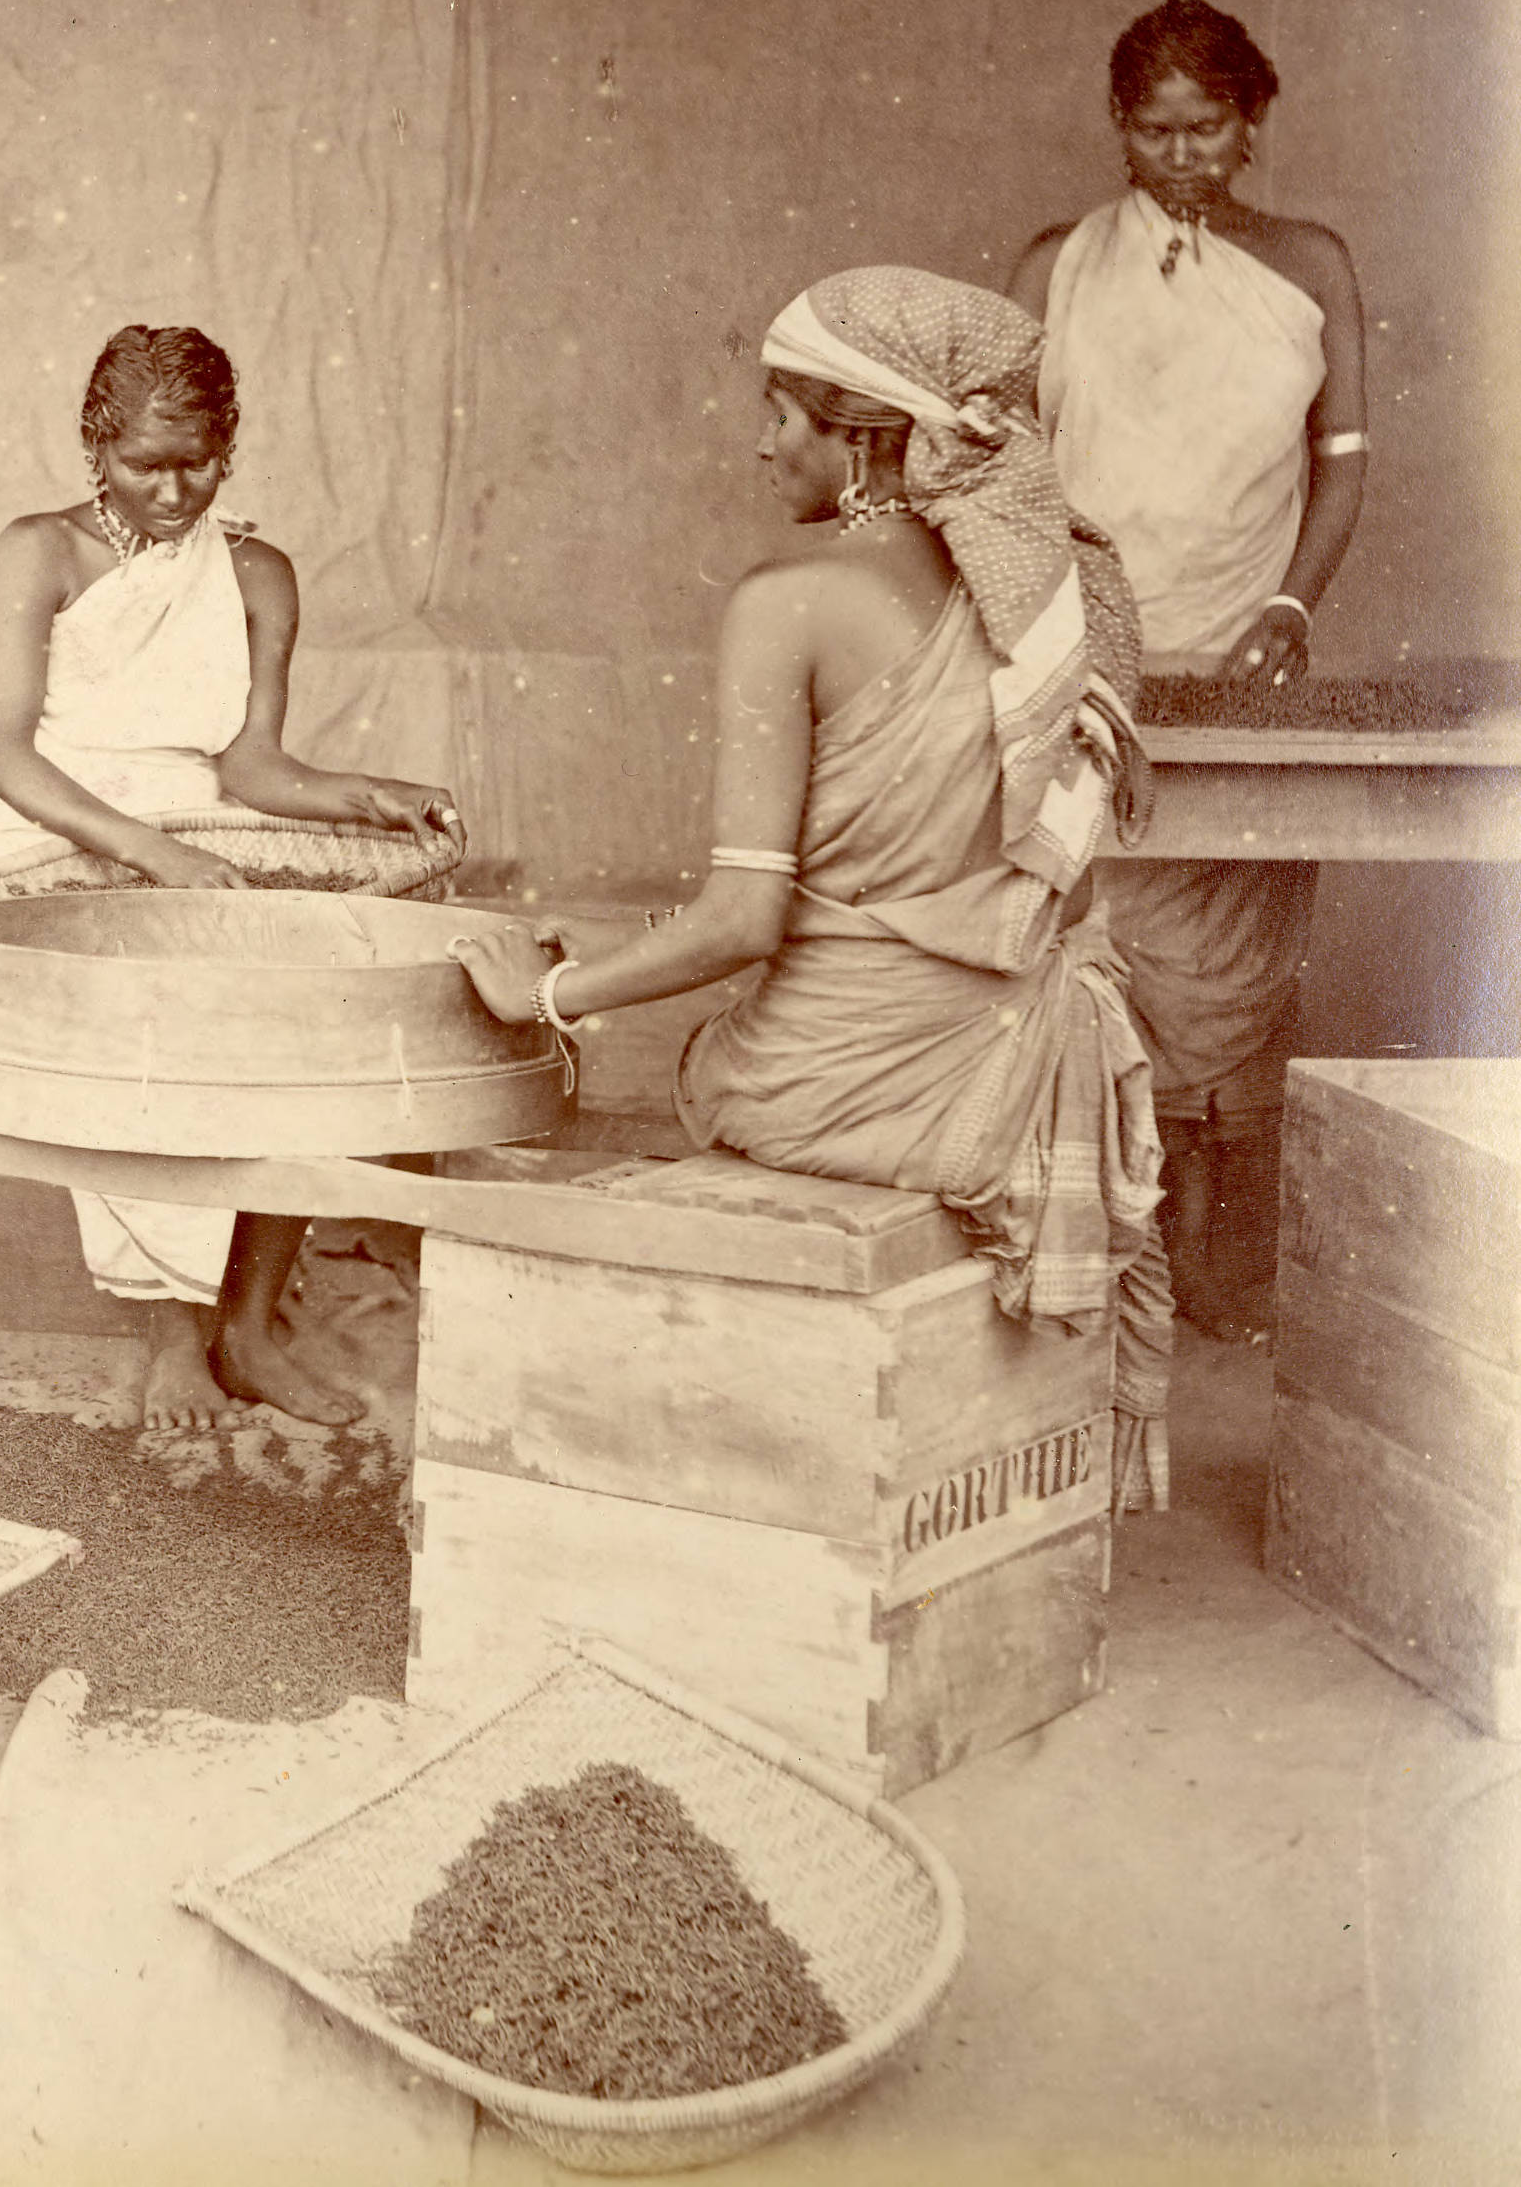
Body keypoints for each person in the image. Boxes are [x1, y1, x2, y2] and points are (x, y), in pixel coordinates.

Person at [449, 268, 1177, 1515]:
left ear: (864, 436)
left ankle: (669, 1485)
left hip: (856, 1089)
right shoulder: (1049, 598)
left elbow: (743, 924)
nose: (760, 440)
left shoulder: (786, 604)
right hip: (1020, 1068)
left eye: (782, 411)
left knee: (667, 1077)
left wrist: (552, 990)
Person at [0, 324, 462, 1433]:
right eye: (145, 464)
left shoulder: (256, 574)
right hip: (48, 826)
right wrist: (152, 855)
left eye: (199, 461)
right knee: (162, 1023)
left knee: (304, 1004)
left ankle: (247, 1323)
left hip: (199, 825)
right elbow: (5, 752)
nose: (174, 490)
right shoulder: (35, 551)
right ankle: (174, 1337)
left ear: (228, 444)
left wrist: (361, 796)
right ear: (96, 447)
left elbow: (253, 767)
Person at [1006, 0, 1368, 1340]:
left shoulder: (1311, 262)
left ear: (1252, 121)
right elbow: (999, 471)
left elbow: (1343, 467)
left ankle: (1218, 1270)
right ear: (1117, 125)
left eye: (1205, 127)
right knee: (1091, 948)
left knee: (1231, 959)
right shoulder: (1054, 265)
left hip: (1240, 656)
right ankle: (1096, 1265)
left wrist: (1286, 600)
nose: (1179, 155)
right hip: (1083, 658)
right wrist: (1056, 635)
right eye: (1151, 130)